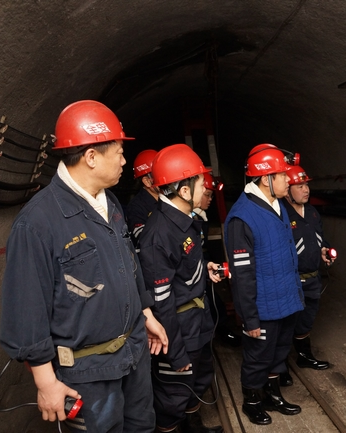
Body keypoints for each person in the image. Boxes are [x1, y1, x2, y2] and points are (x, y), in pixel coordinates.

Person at [0, 100, 167, 433]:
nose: (124, 160)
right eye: (119, 152)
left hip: (134, 356)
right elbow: (26, 310)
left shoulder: (110, 202)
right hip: (87, 375)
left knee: (142, 427)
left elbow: (128, 264)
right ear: (91, 157)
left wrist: (146, 314)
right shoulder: (37, 223)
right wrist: (46, 382)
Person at [138, 144, 224, 433]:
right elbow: (161, 302)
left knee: (197, 381)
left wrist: (204, 267)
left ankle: (194, 428)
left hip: (197, 322)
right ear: (185, 191)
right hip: (178, 330)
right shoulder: (158, 234)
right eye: (200, 182)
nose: (205, 187)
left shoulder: (186, 222)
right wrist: (175, 352)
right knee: (173, 394)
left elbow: (182, 267)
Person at [224, 143, 304, 425]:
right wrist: (249, 317)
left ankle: (272, 395)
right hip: (263, 306)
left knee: (279, 352)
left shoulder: (278, 204)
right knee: (258, 356)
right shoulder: (242, 217)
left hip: (285, 299)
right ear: (266, 178)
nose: (288, 180)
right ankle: (252, 401)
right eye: (282, 175)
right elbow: (242, 274)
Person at [279, 165, 333, 387]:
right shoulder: (280, 214)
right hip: (291, 280)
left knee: (307, 318)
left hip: (312, 278)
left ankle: (304, 356)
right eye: (300, 186)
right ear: (288, 190)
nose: (306, 189)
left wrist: (324, 250)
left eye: (306, 185)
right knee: (286, 323)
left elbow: (319, 238)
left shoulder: (312, 212)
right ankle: (279, 367)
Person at [194, 171, 241, 347]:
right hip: (193, 268)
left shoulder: (201, 217)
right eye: (207, 194)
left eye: (212, 195)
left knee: (212, 299)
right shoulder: (188, 219)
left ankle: (219, 331)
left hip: (203, 262)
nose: (210, 199)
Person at [126, 149, 159, 250]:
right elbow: (144, 239)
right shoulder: (136, 207)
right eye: (160, 173)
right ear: (147, 182)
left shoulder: (169, 197)